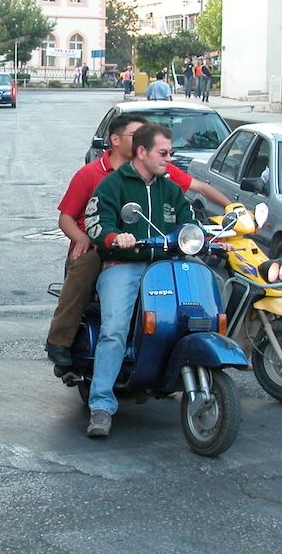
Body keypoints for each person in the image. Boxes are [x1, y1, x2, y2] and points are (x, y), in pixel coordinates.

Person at [45, 115, 230, 369]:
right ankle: (60, 340)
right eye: (136, 133)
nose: (143, 138)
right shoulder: (92, 174)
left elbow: (197, 191)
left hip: (150, 248)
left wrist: (231, 211)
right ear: (115, 140)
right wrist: (84, 238)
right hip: (100, 245)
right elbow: (66, 218)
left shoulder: (158, 169)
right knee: (85, 268)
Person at [82, 123, 197, 438]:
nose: (168, 159)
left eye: (170, 153)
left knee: (192, 317)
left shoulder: (169, 188)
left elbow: (189, 222)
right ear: (142, 152)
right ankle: (102, 405)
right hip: (123, 266)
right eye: (163, 153)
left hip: (165, 266)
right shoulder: (114, 186)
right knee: (114, 330)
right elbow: (94, 222)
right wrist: (115, 237)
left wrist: (204, 237)